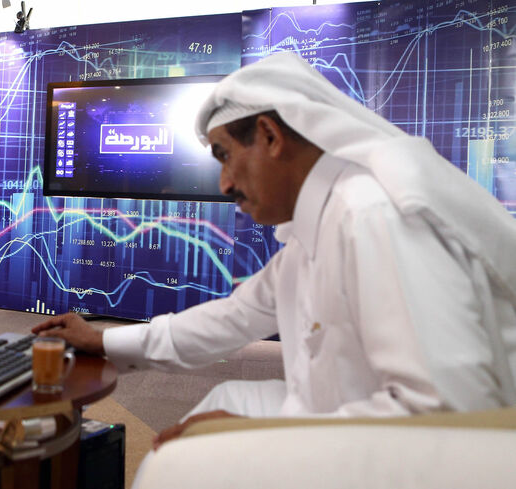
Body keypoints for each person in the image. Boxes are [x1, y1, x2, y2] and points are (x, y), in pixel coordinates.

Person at [32, 51, 516, 450]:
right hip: (353, 416)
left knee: (187, 454)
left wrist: (261, 434)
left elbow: (447, 413)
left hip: (428, 453)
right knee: (227, 397)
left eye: (224, 155)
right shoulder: (320, 226)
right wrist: (104, 341)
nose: (223, 183)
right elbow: (233, 319)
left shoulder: (371, 214)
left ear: (270, 135)